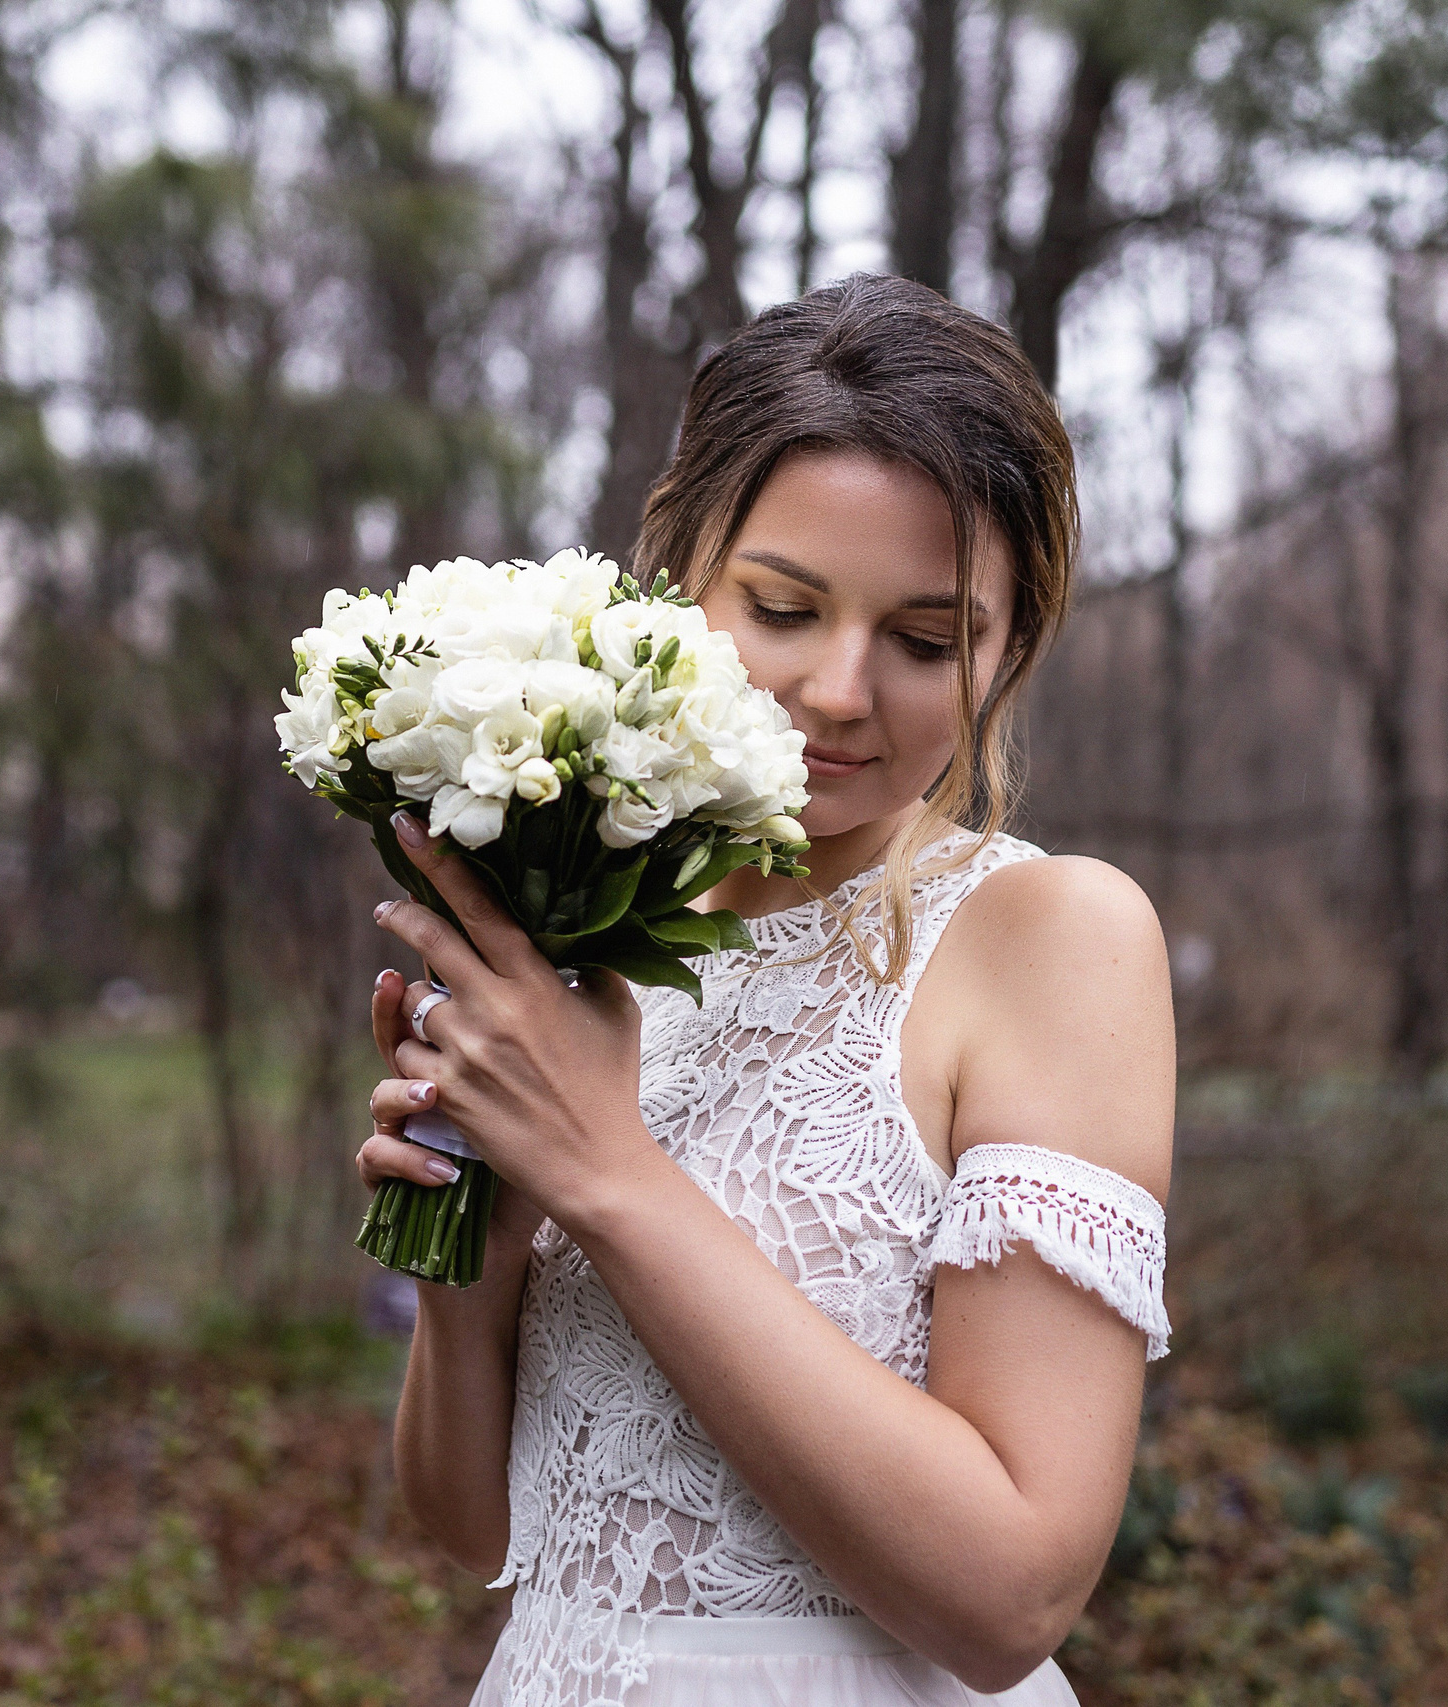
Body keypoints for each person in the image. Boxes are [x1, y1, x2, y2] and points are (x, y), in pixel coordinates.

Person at [353, 272, 1174, 1707]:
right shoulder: (599, 933)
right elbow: (477, 1527)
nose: (842, 691)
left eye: (930, 641)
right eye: (784, 608)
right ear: (678, 574)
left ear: (1012, 647)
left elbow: (1011, 1598)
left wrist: (604, 1169)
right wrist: (474, 1250)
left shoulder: (1050, 935)